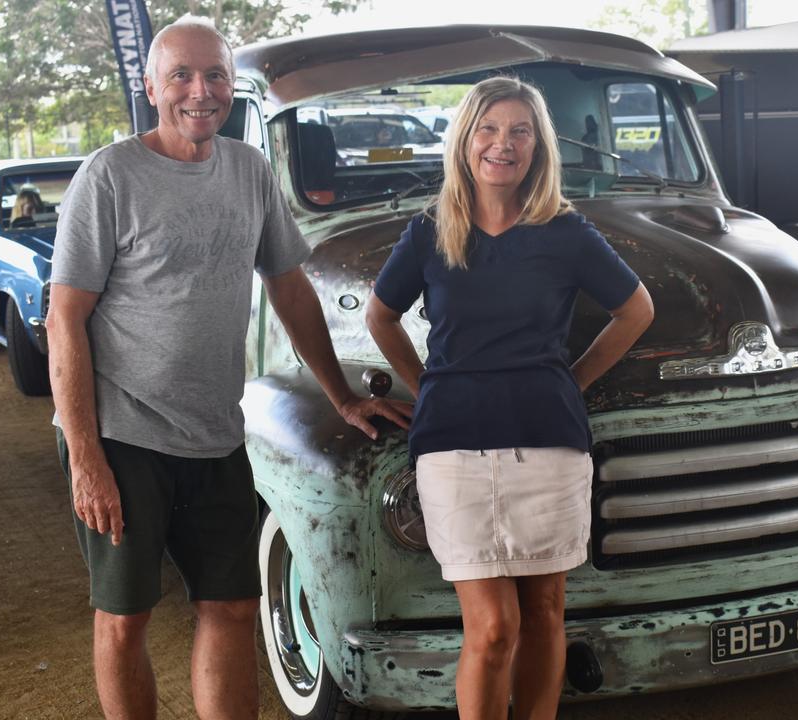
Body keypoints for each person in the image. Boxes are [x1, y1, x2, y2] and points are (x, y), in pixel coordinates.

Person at [45, 15, 412, 720]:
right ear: (151, 86)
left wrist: (339, 395)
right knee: (126, 616)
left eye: (214, 74)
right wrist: (86, 456)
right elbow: (66, 319)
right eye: (181, 75)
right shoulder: (109, 176)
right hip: (121, 432)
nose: (200, 91)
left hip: (213, 430)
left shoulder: (248, 169)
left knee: (234, 605)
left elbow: (290, 285)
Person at [365, 77, 654, 720]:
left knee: (546, 612)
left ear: (539, 146)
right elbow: (380, 318)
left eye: (520, 131)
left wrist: (570, 380)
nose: (503, 144)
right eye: (489, 129)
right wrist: (427, 382)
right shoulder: (430, 232)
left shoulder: (567, 232)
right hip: (452, 446)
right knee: (494, 625)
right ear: (465, 140)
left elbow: (636, 311)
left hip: (548, 441)